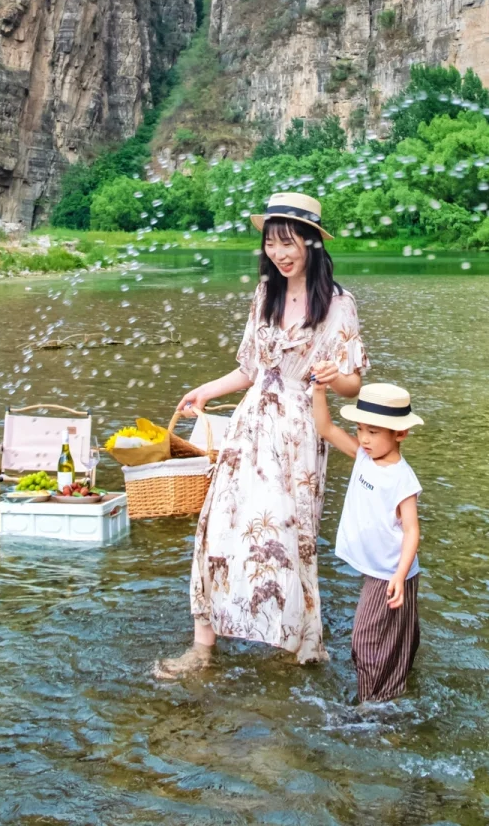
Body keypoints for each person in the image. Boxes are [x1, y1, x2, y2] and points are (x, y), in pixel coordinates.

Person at [153, 192, 368, 679]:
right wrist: (205, 390)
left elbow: (354, 383)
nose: (279, 253)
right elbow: (251, 368)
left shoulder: (338, 305)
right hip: (249, 428)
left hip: (297, 432)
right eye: (272, 243)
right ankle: (203, 647)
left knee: (285, 537)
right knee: (219, 528)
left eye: (289, 242)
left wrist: (334, 376)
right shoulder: (265, 293)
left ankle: (292, 645)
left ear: (312, 243)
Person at [312, 379, 423, 704]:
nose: (364, 438)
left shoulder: (402, 479)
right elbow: (326, 428)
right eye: (360, 429)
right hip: (382, 569)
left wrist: (399, 575)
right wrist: (319, 390)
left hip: (390, 572)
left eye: (373, 432)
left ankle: (370, 705)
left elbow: (412, 531)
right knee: (399, 633)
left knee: (366, 641)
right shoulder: (364, 456)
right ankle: (393, 694)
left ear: (400, 433)